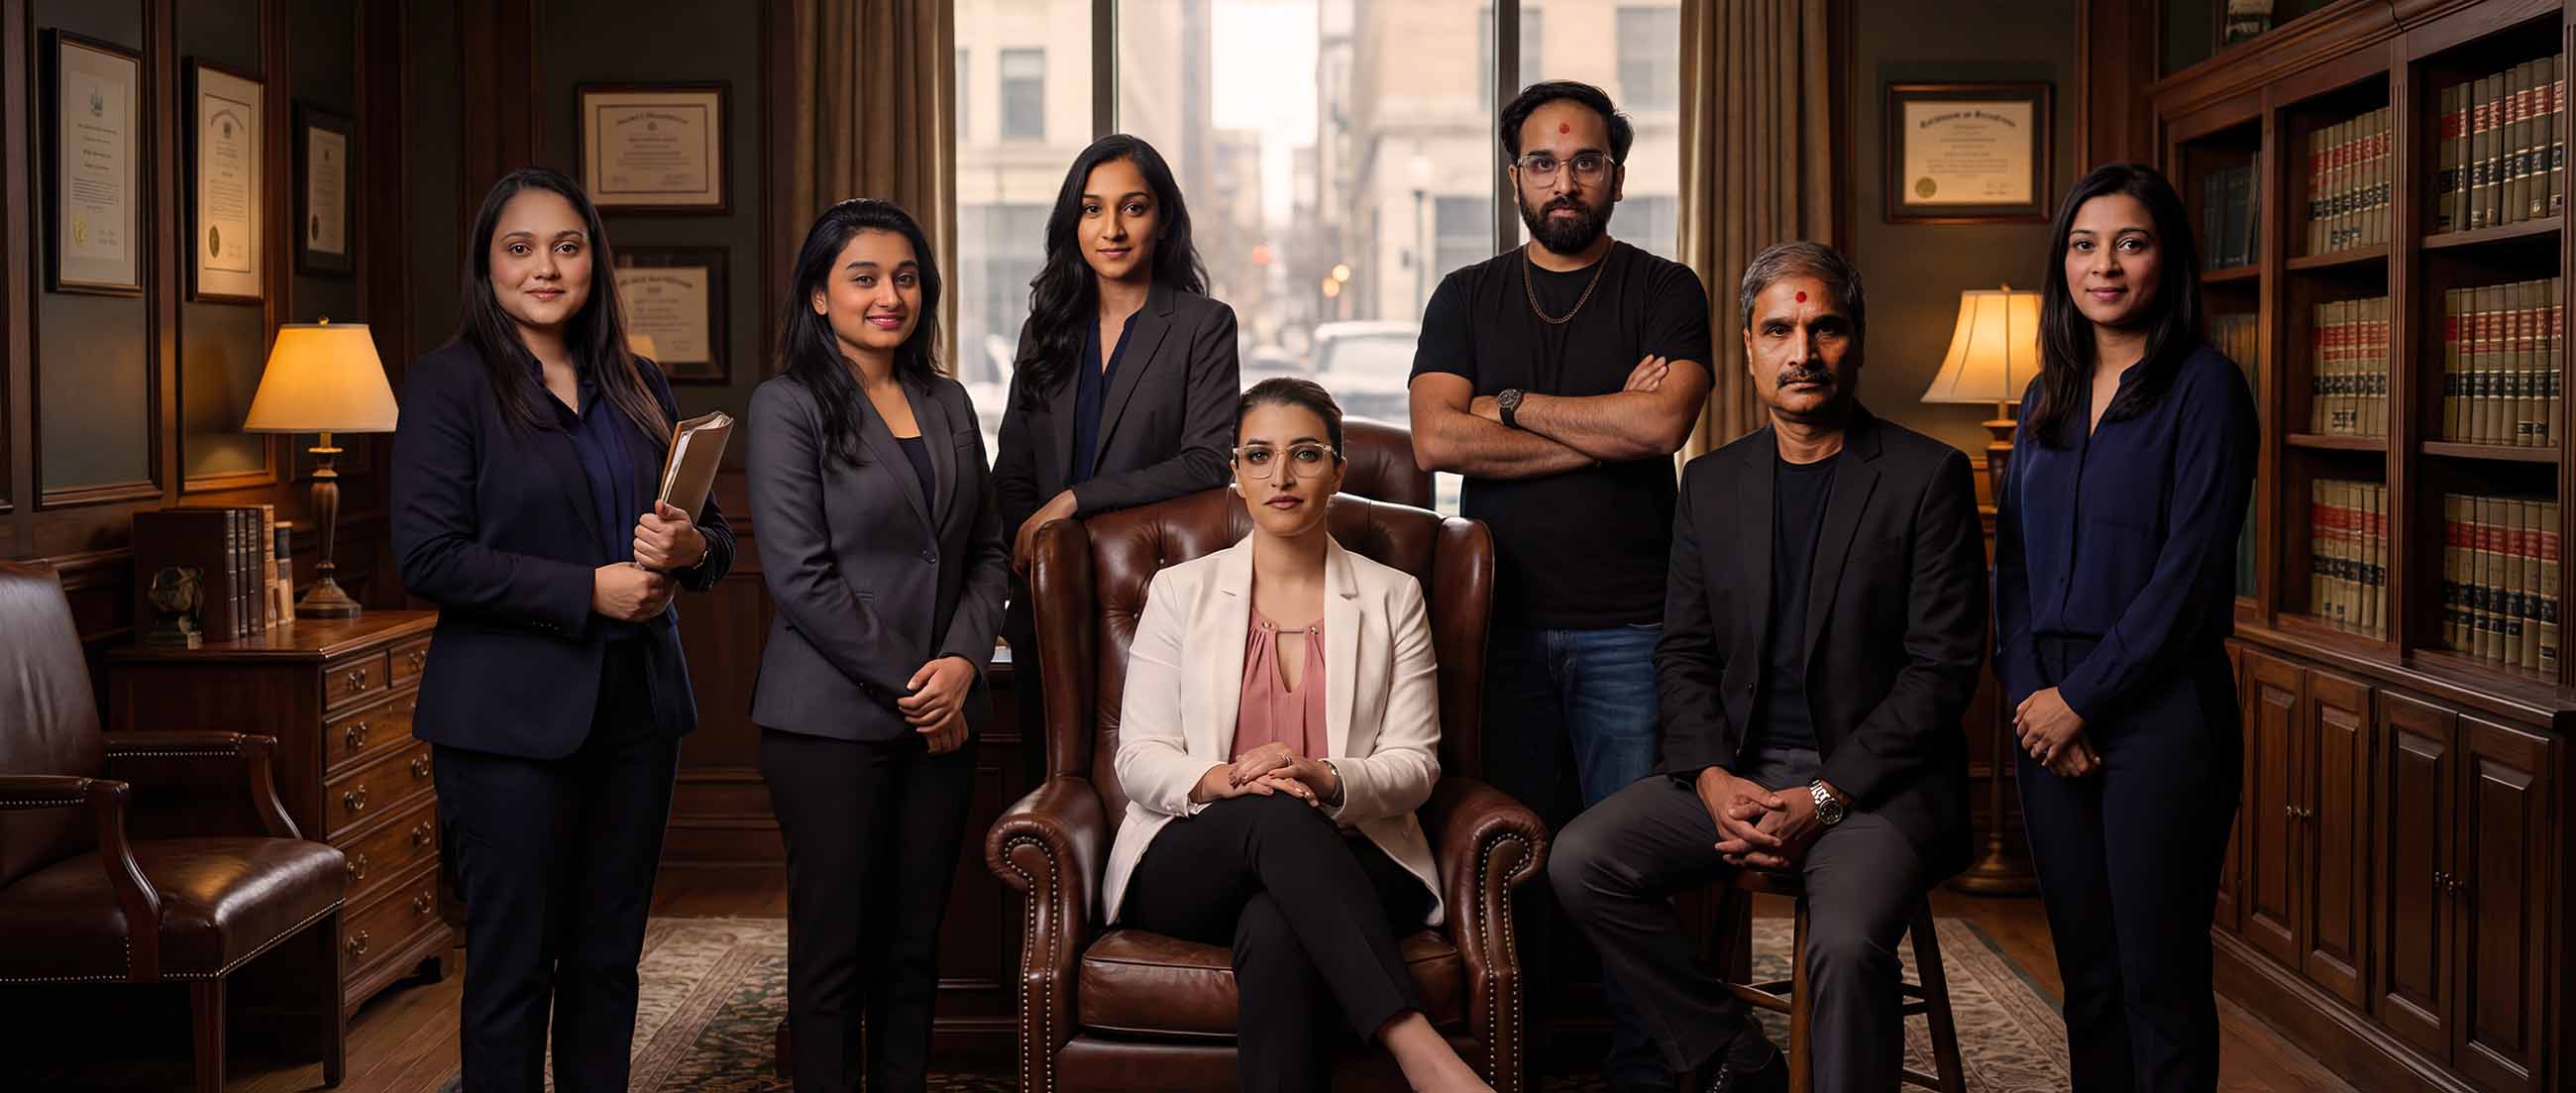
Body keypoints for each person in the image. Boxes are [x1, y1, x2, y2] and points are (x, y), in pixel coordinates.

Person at [1550, 242, 1986, 1093]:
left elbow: (1940, 674)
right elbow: (1684, 650)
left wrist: (1823, 796)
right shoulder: (1711, 484)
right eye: (1779, 330)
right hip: (1742, 772)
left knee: (1846, 945)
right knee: (1583, 859)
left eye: (1825, 329)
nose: (1803, 352)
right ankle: (1736, 1056)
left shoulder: (1927, 476)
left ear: (1856, 341)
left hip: (1875, 789)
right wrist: (1713, 777)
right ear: (1747, 348)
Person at [391, 166, 736, 1093]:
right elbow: (428, 556)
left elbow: (712, 542)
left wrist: (690, 544)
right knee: (512, 971)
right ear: (488, 265)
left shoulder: (638, 380)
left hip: (637, 714)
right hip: (505, 726)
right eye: (521, 248)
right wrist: (588, 590)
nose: (545, 267)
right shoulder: (447, 384)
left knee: (607, 962)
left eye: (567, 246)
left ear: (594, 262)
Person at [1405, 78, 1713, 1090]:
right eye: (1542, 162)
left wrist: (1509, 405)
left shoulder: (1665, 289)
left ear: (1617, 175)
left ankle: (1643, 1068)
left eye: (1585, 161)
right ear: (1514, 178)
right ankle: (1516, 1062)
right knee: (1507, 861)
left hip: (1634, 627)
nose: (1563, 181)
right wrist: (1600, 426)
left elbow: (1660, 425)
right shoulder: (1464, 296)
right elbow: (1435, 438)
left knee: (1631, 865)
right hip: (1494, 631)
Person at [1106, 378, 1491, 1093]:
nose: (1280, 476)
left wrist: (1326, 777)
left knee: (1278, 925)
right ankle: (1415, 1043)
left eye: (1305, 454)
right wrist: (1229, 780)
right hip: (1197, 856)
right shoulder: (1181, 592)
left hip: (1356, 853)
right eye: (1259, 455)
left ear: (1338, 471)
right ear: (1236, 472)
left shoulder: (1392, 596)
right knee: (1275, 817)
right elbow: (1140, 758)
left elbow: (1415, 765)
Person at [1995, 163, 2257, 1093]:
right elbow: (2014, 570)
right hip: (2047, 716)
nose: (2104, 266)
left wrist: (2080, 700)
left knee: (2160, 981)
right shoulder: (2046, 395)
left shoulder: (2207, 389)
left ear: (2166, 258)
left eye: (2130, 243)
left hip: (2163, 712)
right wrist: (2036, 698)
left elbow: (2189, 578)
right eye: (2084, 244)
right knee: (2091, 982)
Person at [746, 198, 1010, 1093]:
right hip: (828, 722)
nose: (888, 295)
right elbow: (800, 577)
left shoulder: (949, 400)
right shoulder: (786, 406)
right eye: (863, 278)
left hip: (944, 719)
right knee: (834, 956)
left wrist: (963, 664)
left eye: (905, 277)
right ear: (820, 295)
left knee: (913, 949)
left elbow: (985, 550)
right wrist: (920, 685)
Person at [994, 134, 1240, 789]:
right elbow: (1013, 469)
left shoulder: (1203, 325)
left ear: (1162, 221)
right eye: (1092, 208)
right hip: (1047, 597)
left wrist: (1076, 500)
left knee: (1151, 786)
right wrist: (1029, 561)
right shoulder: (1044, 329)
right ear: (1072, 222)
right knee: (1049, 787)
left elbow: (1206, 463)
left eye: (1132, 207)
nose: (1112, 229)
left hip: (1153, 595)